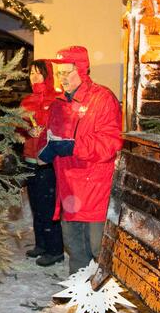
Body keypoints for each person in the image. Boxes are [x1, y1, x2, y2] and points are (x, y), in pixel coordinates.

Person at [38, 46, 123, 275]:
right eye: (58, 73)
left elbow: (111, 142)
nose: (61, 78)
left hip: (95, 186)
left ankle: (101, 300)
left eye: (67, 72)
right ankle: (79, 296)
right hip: (69, 188)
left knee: (98, 248)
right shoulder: (57, 105)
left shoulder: (102, 98)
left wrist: (75, 146)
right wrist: (43, 150)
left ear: (82, 70)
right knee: (75, 248)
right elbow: (47, 137)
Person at [20, 59, 64, 267]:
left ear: (47, 76)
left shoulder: (56, 100)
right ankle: (41, 244)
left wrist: (44, 131)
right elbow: (15, 128)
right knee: (36, 205)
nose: (33, 77)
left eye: (38, 73)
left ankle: (55, 250)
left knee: (49, 206)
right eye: (30, 73)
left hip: (47, 162)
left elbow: (60, 128)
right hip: (29, 160)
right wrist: (25, 131)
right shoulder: (26, 101)